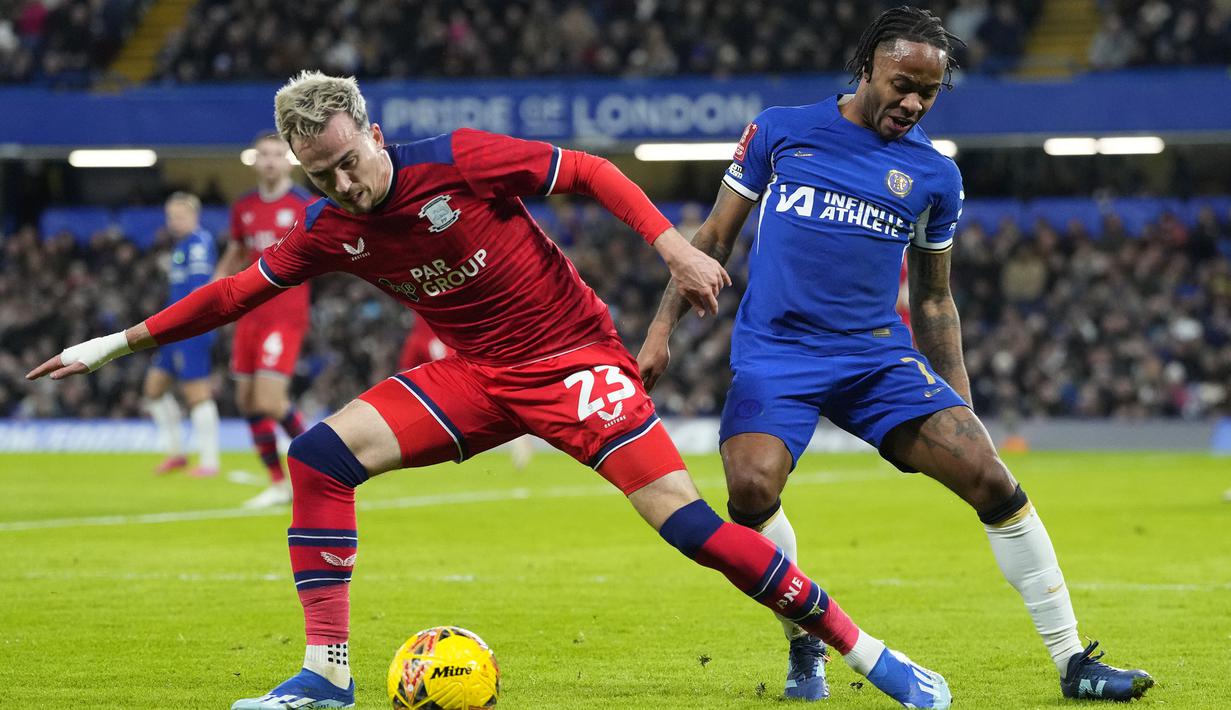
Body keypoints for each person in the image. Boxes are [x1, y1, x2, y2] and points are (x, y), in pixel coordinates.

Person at [30, 70, 954, 710]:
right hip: (473, 377)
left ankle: (865, 651)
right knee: (319, 459)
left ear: (374, 133)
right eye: (323, 176)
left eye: (350, 161)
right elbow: (234, 293)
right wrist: (109, 345)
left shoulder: (460, 161)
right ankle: (325, 670)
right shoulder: (327, 228)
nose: (344, 185)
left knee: (688, 528)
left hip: (576, 363)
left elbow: (585, 171)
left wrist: (670, 246)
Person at [637, 5, 1153, 704]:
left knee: (990, 479)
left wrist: (960, 402)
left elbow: (935, 301)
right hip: (778, 354)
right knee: (750, 490)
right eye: (900, 83)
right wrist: (659, 330)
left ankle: (1074, 664)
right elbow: (713, 239)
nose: (911, 102)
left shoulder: (932, 177)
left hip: (874, 359)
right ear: (867, 70)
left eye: (927, 92)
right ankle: (805, 646)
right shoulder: (781, 130)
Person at [214, 133, 316, 509]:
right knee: (246, 400)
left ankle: (320, 466)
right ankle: (277, 483)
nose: (270, 161)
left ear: (290, 161)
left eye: (278, 154)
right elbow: (235, 253)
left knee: (271, 400)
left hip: (286, 315)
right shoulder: (244, 208)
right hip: (249, 315)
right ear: (254, 161)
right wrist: (211, 294)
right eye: (264, 155)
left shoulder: (304, 204)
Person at [143, 192, 221, 478]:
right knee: (154, 389)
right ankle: (177, 453)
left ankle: (210, 462)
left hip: (191, 330)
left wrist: (192, 327)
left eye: (180, 216)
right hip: (171, 330)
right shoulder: (182, 246)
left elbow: (200, 292)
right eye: (171, 216)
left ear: (194, 216)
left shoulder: (199, 244)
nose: (174, 221)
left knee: (196, 393)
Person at [397, 316, 534, 470]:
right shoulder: (424, 335)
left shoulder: (427, 334)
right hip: (458, 389)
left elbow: (406, 367)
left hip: (466, 387)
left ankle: (520, 439)